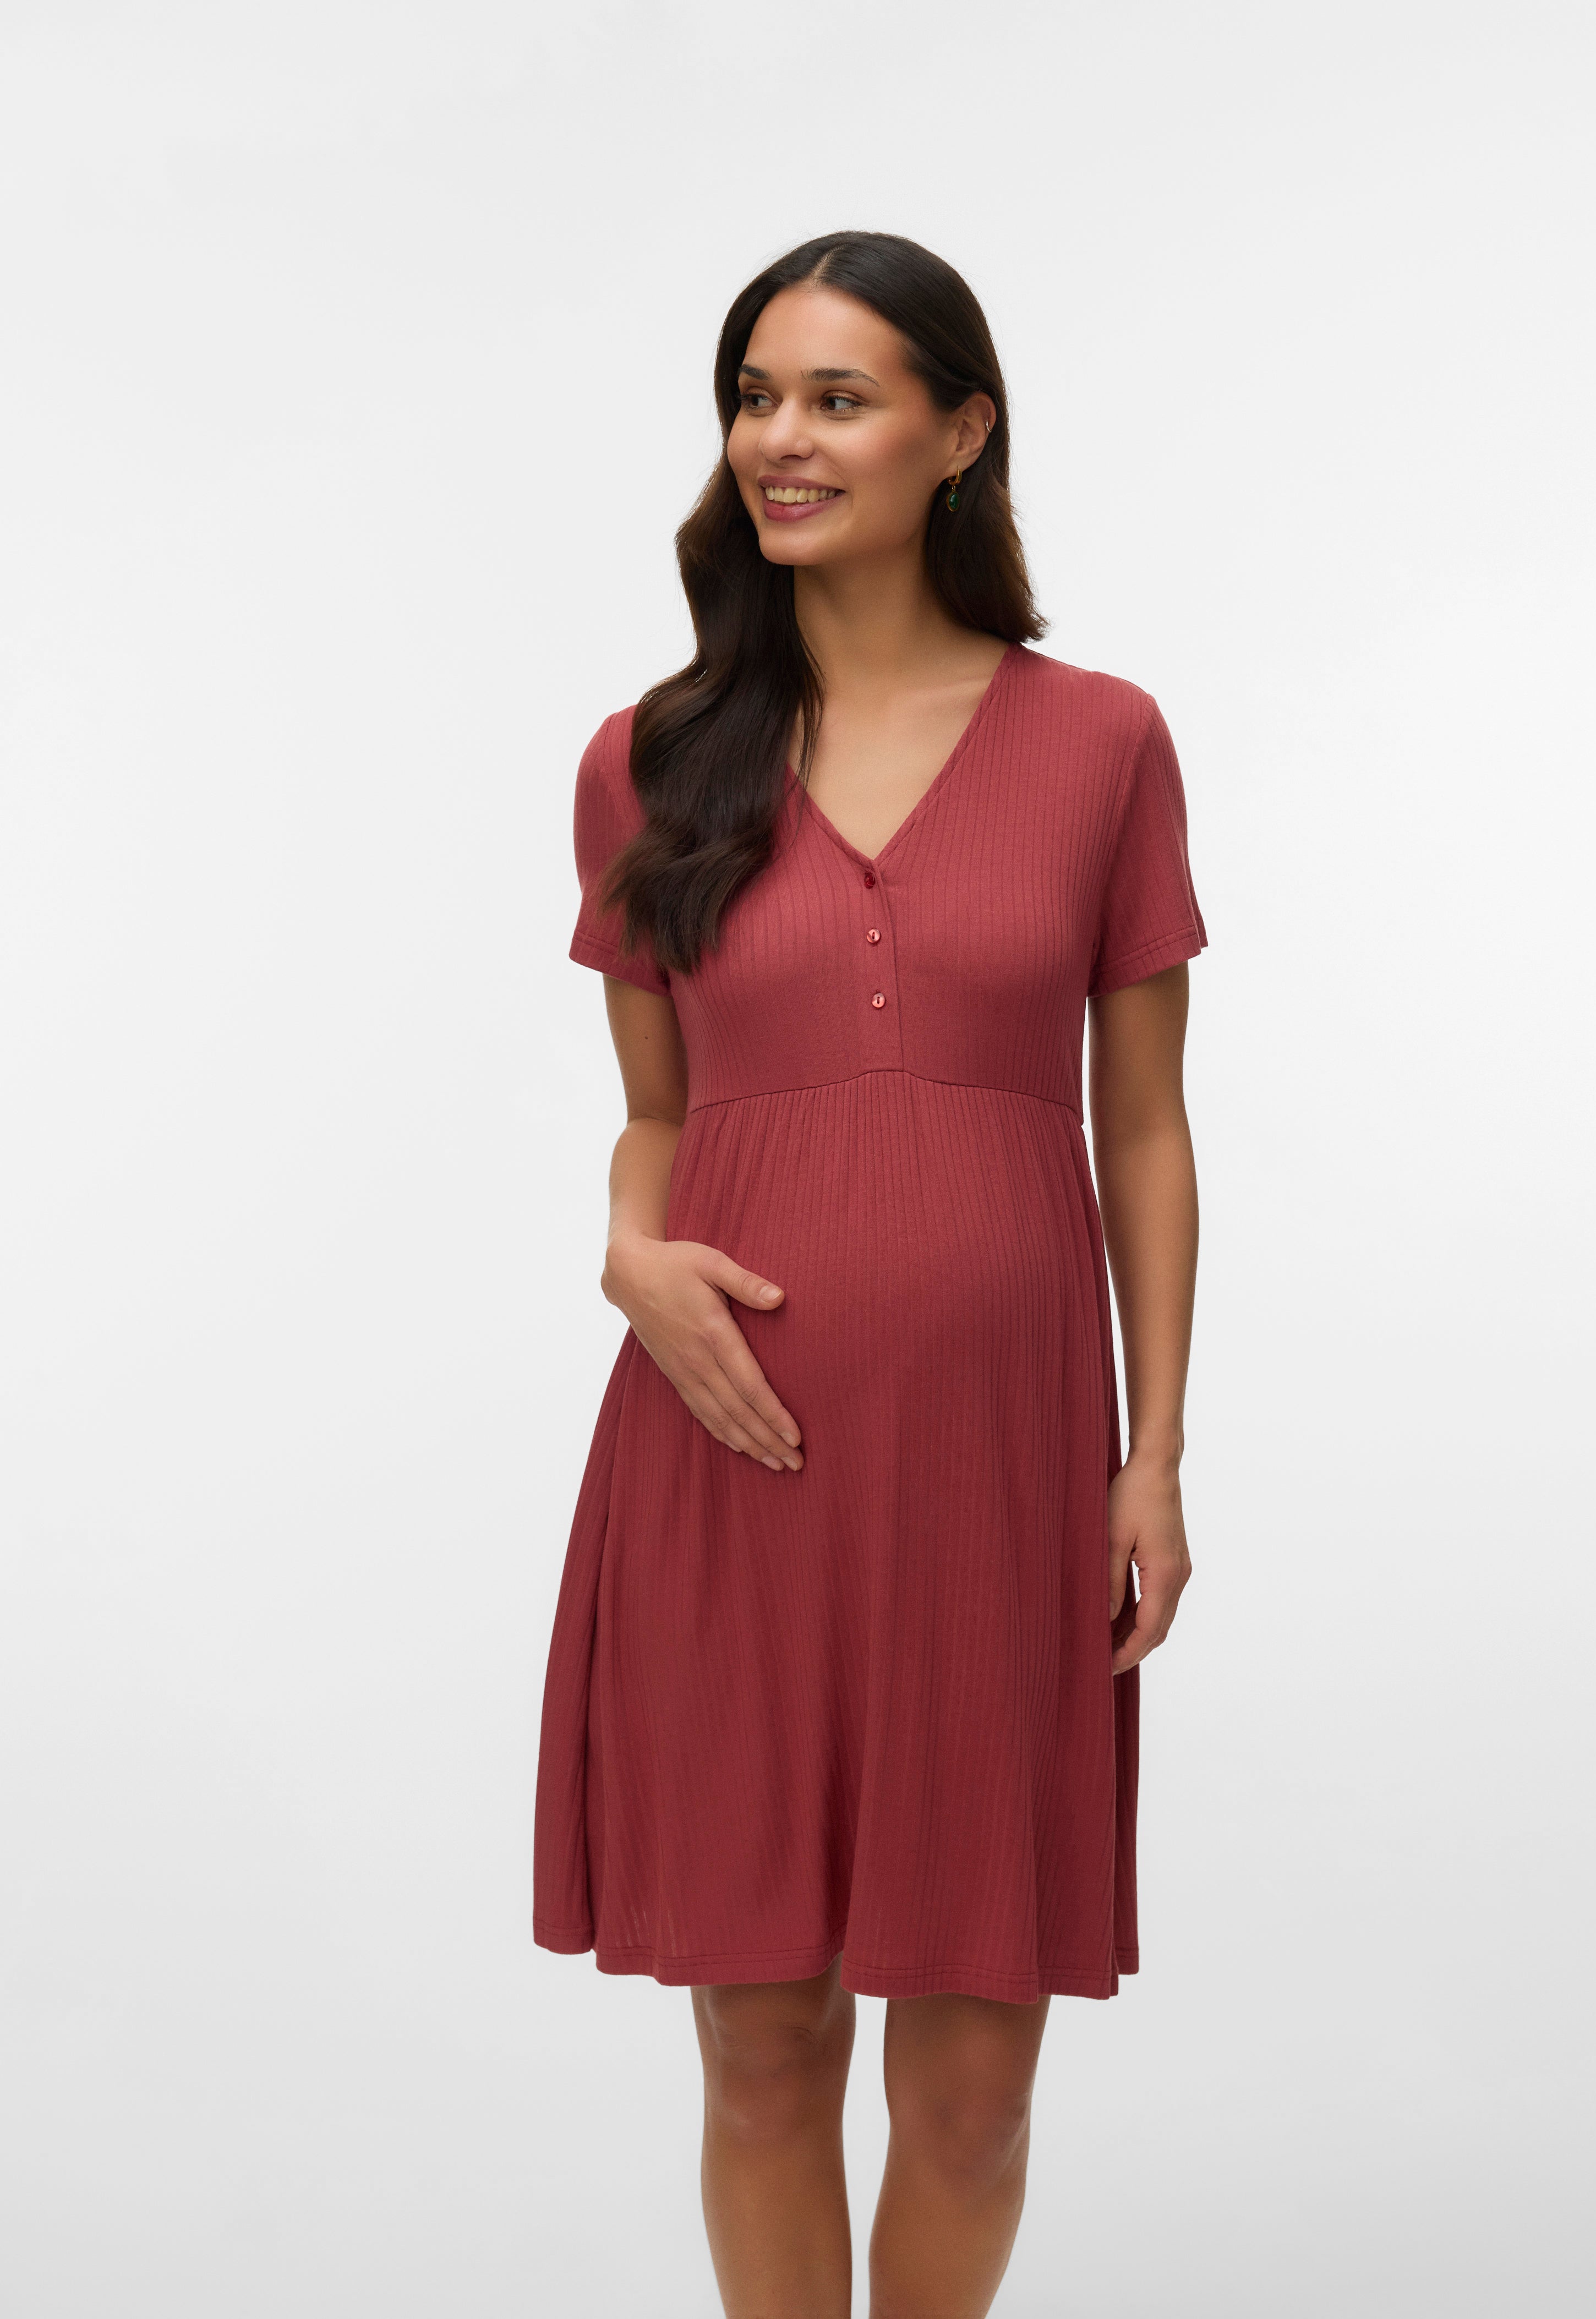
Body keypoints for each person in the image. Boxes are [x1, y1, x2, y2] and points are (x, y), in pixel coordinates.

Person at [533, 229, 1206, 2319]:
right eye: (755, 398)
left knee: (975, 2082)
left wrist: (1152, 1454)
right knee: (760, 2043)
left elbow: (1143, 1128)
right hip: (731, 1450)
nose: (782, 441)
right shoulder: (649, 757)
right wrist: (629, 1257)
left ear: (959, 432)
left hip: (1000, 1460)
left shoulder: (1102, 741)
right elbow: (650, 1114)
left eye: (837, 398)